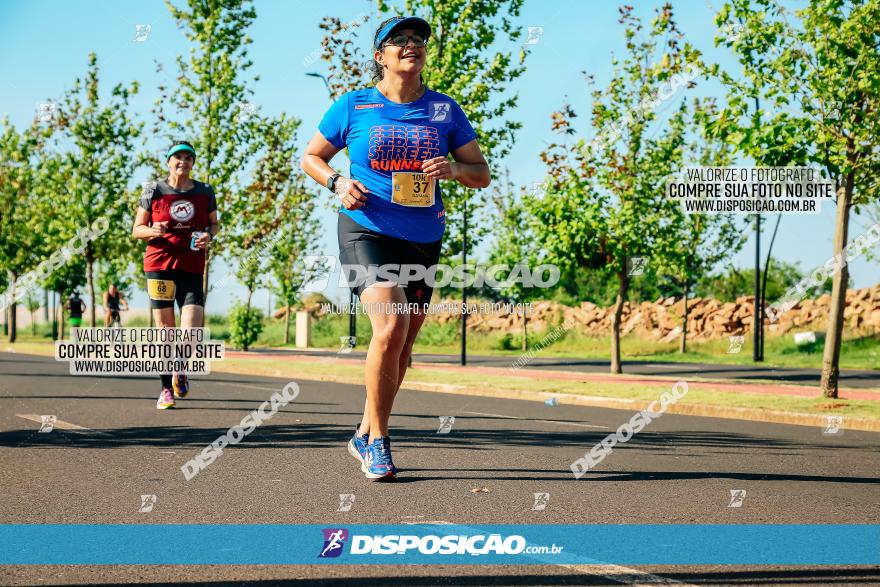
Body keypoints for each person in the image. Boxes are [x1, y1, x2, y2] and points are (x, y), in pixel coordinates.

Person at [302, 16, 490, 480]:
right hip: (365, 228)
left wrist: (452, 169)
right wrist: (338, 182)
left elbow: (480, 174)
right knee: (388, 328)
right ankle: (381, 443)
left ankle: (364, 431)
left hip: (424, 237)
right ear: (380, 55)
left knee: (402, 347)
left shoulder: (445, 110)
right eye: (400, 40)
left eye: (418, 40)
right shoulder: (353, 106)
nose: (412, 45)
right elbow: (311, 157)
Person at [132, 141, 219, 409]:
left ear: (193, 162)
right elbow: (137, 229)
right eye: (178, 157)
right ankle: (165, 390)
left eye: (188, 157)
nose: (183, 161)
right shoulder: (154, 190)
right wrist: (152, 231)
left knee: (192, 331)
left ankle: (179, 367)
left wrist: (208, 235)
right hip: (159, 267)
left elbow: (214, 224)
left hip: (192, 267)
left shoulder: (205, 191)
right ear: (168, 161)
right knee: (166, 332)